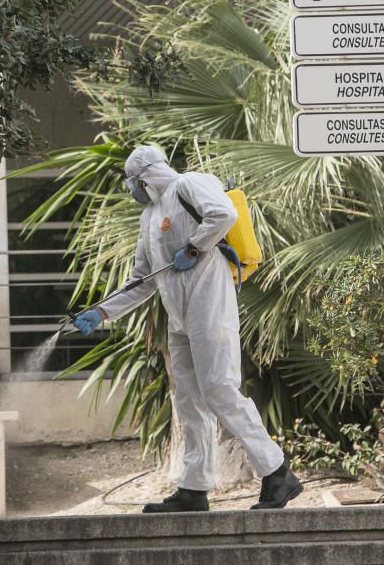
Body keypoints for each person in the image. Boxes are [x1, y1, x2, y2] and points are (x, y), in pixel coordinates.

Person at [74, 146, 302, 512]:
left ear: (144, 177)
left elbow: (223, 213)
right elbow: (142, 280)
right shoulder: (149, 216)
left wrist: (194, 248)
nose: (131, 190)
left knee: (220, 390)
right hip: (177, 317)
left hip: (209, 305)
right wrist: (102, 312)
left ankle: (277, 473)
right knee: (189, 401)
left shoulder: (189, 184)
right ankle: (194, 489)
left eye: (132, 183)